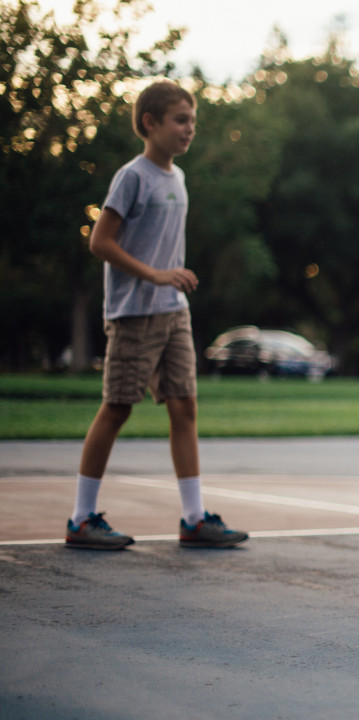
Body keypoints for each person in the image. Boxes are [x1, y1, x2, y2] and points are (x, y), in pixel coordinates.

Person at [65, 80, 248, 550]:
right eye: (180, 120)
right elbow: (100, 242)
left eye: (192, 122)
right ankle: (81, 519)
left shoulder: (178, 178)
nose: (189, 130)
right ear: (151, 123)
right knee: (118, 407)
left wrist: (169, 284)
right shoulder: (134, 176)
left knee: (184, 406)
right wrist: (156, 275)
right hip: (134, 313)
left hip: (173, 313)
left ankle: (193, 519)